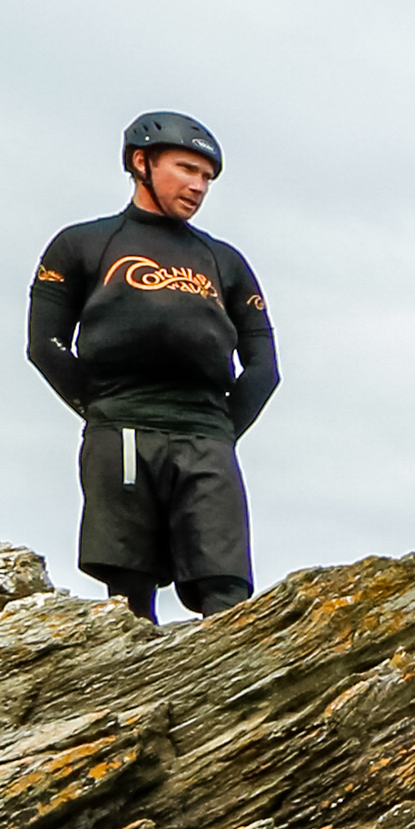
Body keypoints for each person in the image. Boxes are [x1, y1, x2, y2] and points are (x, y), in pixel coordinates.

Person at [27, 110, 279, 622]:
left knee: (224, 586)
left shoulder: (224, 260)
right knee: (128, 587)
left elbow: (264, 366)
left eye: (207, 177)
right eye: (186, 169)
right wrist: (101, 409)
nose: (198, 186)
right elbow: (45, 345)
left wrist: (219, 433)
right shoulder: (82, 243)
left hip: (206, 430)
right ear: (141, 162)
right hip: (120, 428)